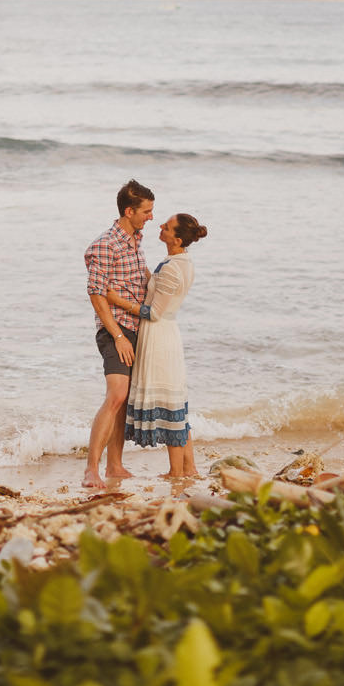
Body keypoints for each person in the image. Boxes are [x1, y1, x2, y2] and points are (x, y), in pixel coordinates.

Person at [107, 213, 207, 478]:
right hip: (167, 334)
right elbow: (160, 288)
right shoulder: (180, 262)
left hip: (159, 336)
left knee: (170, 404)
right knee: (176, 402)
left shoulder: (174, 267)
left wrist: (117, 300)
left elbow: (153, 312)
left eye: (166, 226)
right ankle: (189, 468)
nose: (160, 226)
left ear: (176, 238)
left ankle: (176, 472)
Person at [82, 179, 154, 489]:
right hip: (116, 330)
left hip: (136, 328)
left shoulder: (135, 239)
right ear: (129, 211)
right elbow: (97, 295)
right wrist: (119, 336)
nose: (150, 217)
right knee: (115, 396)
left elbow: (140, 281)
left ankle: (114, 465)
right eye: (147, 211)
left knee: (123, 402)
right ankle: (91, 470)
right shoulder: (105, 244)